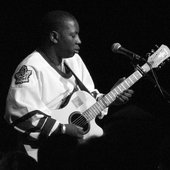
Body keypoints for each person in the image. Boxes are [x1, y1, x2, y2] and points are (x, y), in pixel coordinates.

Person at [4, 10, 134, 162]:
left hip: (74, 150)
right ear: (54, 37)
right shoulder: (31, 67)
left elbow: (88, 98)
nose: (79, 40)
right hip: (44, 151)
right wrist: (62, 129)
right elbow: (20, 112)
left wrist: (110, 98)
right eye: (73, 35)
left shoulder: (74, 61)